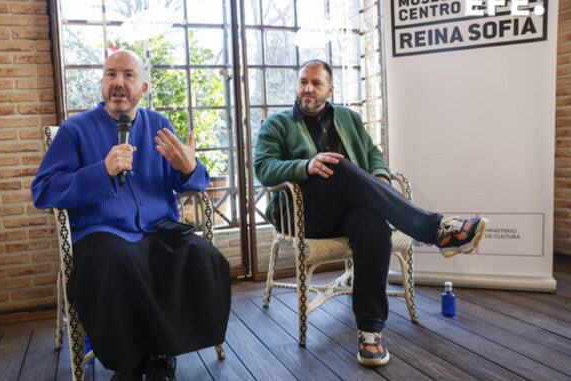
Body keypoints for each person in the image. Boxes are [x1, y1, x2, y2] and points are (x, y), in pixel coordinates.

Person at [253, 59, 488, 367]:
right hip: (305, 214)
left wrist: (379, 175)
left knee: (373, 224)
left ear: (330, 89)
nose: (307, 88)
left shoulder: (349, 118)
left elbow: (373, 153)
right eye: (302, 82)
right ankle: (436, 230)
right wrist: (305, 166)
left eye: (316, 83)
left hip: (349, 209)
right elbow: (263, 168)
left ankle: (370, 332)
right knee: (334, 165)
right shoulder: (277, 124)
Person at [31, 50, 231, 381]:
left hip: (157, 229)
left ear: (144, 87)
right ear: (102, 83)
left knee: (206, 257)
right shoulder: (75, 130)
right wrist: (102, 171)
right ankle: (133, 363)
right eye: (111, 74)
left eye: (128, 75)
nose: (118, 83)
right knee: (117, 264)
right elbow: (44, 191)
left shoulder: (159, 126)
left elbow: (194, 182)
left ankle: (163, 353)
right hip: (101, 233)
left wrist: (189, 168)